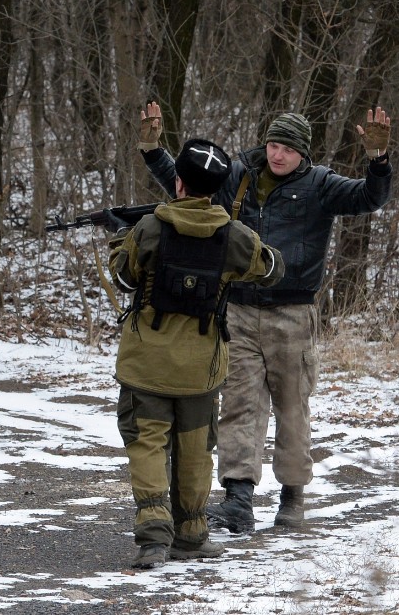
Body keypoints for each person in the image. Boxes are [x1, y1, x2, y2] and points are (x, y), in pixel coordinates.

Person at [137, 102, 393, 532]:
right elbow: (187, 188)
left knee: (292, 407)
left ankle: (292, 498)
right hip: (236, 309)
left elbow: (368, 198)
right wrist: (152, 149)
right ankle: (239, 500)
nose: (278, 155)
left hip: (292, 314)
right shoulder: (238, 176)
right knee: (239, 405)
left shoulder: (320, 184)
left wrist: (378, 161)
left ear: (303, 154)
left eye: (288, 149)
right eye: (274, 144)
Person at [107, 138, 285, 568]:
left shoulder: (149, 228)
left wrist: (119, 236)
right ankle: (191, 535)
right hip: (200, 368)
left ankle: (152, 538)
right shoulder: (234, 238)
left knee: (147, 445)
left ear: (179, 183)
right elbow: (272, 269)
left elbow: (124, 278)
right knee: (195, 450)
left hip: (146, 363)